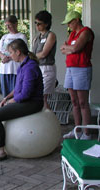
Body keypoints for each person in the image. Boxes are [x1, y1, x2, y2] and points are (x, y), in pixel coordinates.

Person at [0, 39, 43, 162]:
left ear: (18, 52)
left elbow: (26, 94)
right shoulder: (23, 65)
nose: (9, 55)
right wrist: (6, 98)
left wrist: (12, 102)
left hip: (33, 103)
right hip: (25, 100)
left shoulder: (30, 67)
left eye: (11, 52)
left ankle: (0, 152)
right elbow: (17, 89)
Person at [60, 11, 94, 140]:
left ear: (77, 20)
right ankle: (77, 130)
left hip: (82, 69)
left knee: (82, 102)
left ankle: (87, 133)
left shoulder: (86, 32)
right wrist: (68, 48)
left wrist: (68, 48)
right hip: (70, 69)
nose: (69, 25)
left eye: (70, 22)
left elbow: (75, 49)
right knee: (74, 101)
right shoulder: (73, 34)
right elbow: (63, 49)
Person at [0, 15, 28, 98]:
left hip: (15, 69)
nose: (8, 27)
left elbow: (23, 52)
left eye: (9, 25)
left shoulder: (21, 36)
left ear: (16, 24)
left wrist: (9, 58)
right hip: (4, 70)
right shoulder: (4, 37)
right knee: (5, 95)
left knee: (15, 93)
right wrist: (3, 57)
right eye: (6, 25)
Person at [32, 11, 57, 109]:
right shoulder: (36, 37)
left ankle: (49, 120)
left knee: (43, 97)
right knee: (37, 97)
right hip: (37, 67)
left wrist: (31, 57)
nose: (37, 26)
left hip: (47, 68)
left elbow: (43, 54)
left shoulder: (51, 35)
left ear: (46, 24)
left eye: (39, 23)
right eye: (36, 23)